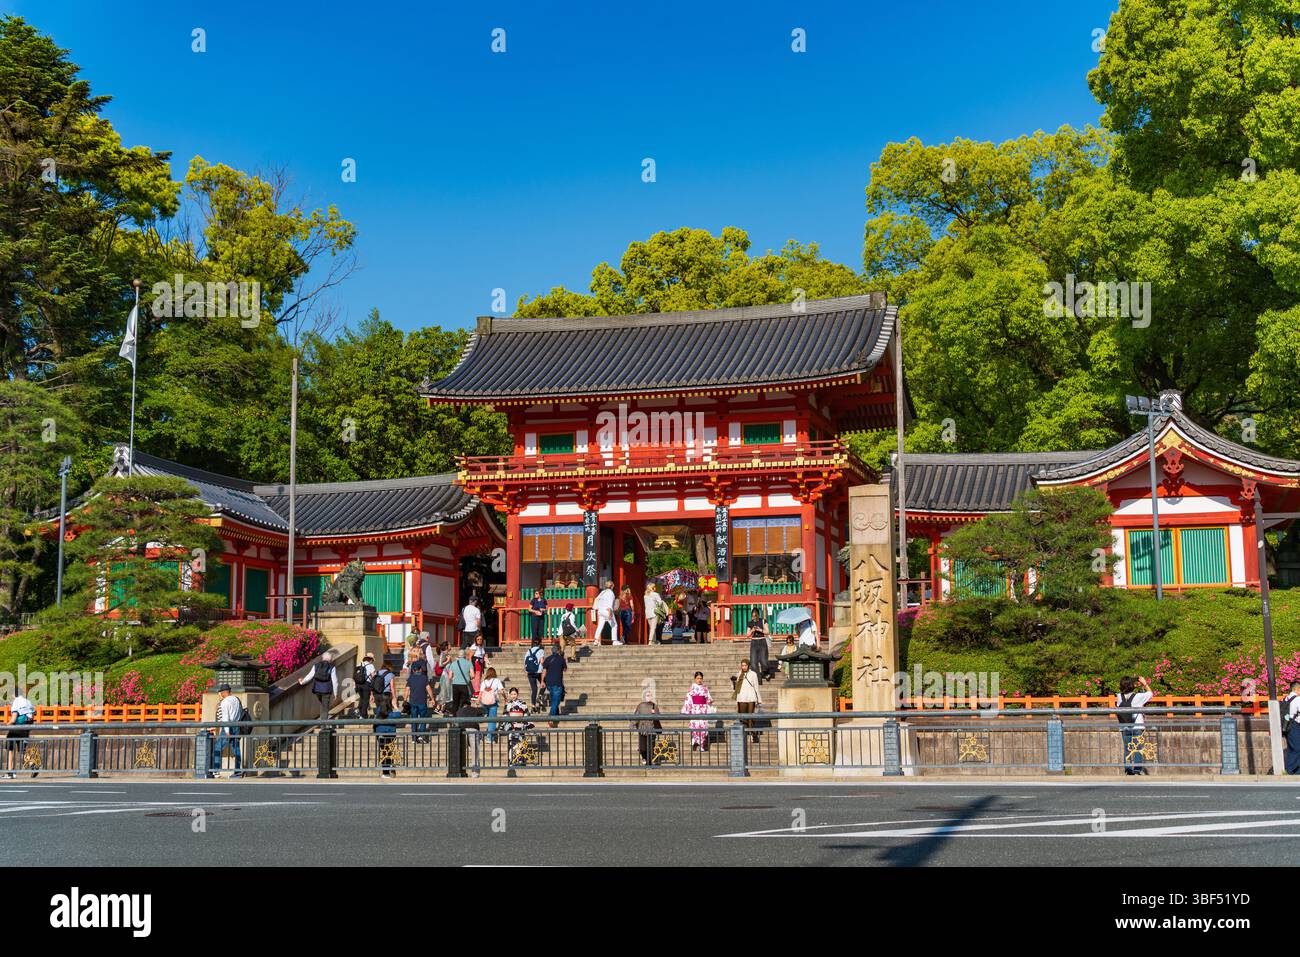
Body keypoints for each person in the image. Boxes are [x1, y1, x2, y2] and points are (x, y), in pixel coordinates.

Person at [1116, 675, 1154, 775]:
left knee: (1127, 748)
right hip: (1137, 726)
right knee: (1138, 748)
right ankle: (1137, 769)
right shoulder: (1138, 697)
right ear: (1132, 685)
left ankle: (1128, 770)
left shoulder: (1119, 697)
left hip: (1124, 727)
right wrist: (1144, 684)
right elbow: (1150, 694)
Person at [209, 684, 244, 778]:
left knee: (217, 747)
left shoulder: (224, 702)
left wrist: (227, 730)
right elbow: (240, 712)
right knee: (236, 748)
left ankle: (215, 771)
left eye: (220, 692)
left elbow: (225, 718)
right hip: (237, 725)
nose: (220, 694)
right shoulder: (236, 699)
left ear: (224, 692)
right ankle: (237, 771)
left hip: (228, 727)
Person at [5, 688, 36, 778]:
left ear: (14, 695)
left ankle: (10, 772)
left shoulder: (16, 702)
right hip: (26, 728)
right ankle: (33, 765)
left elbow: (14, 718)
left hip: (17, 727)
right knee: (22, 749)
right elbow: (32, 716)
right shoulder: (28, 701)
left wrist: (7, 724)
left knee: (10, 748)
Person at [298, 651, 338, 720]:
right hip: (326, 690)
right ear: (330, 659)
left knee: (322, 705)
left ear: (323, 658)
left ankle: (322, 721)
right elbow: (335, 681)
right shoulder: (332, 667)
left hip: (317, 689)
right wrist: (335, 693)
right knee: (325, 708)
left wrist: (302, 682)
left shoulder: (316, 665)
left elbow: (309, 676)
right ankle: (323, 727)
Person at [681, 672, 714, 752]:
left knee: (703, 726)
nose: (699, 680)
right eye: (697, 678)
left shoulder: (705, 688)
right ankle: (695, 739)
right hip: (695, 709)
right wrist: (688, 708)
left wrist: (709, 701)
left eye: (700, 678)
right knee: (695, 725)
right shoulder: (692, 688)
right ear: (695, 679)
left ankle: (702, 745)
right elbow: (688, 699)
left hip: (703, 709)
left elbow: (708, 698)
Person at [733, 660, 763, 742]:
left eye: (745, 665)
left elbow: (756, 687)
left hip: (751, 697)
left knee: (750, 717)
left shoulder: (753, 674)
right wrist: (733, 681)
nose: (744, 667)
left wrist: (759, 699)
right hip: (741, 698)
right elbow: (736, 688)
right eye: (742, 665)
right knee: (742, 718)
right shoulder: (739, 674)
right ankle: (744, 734)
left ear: (748, 665)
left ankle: (753, 735)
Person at [504, 688, 534, 764]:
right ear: (509, 695)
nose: (513, 696)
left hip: (521, 725)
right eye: (512, 694)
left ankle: (521, 760)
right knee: (511, 743)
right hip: (511, 725)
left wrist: (526, 724)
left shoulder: (522, 703)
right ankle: (512, 760)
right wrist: (505, 725)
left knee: (521, 743)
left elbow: (526, 714)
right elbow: (505, 715)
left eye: (515, 694)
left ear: (517, 694)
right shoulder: (508, 704)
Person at [632, 690, 663, 766]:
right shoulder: (640, 705)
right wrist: (633, 725)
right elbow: (636, 715)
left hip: (652, 729)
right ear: (644, 696)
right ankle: (644, 758)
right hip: (642, 729)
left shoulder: (654, 705)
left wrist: (654, 713)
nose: (649, 697)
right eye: (647, 695)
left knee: (651, 748)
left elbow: (659, 716)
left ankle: (649, 763)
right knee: (642, 748)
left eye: (650, 695)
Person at [375, 698, 403, 777]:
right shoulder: (391, 714)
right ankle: (387, 770)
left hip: (380, 735)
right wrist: (395, 706)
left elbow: (379, 709)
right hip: (389, 736)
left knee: (384, 752)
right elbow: (399, 714)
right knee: (388, 753)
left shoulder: (378, 713)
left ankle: (386, 771)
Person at [406, 659, 433, 742]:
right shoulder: (424, 678)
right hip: (422, 701)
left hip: (413, 702)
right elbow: (428, 689)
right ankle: (421, 736)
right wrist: (432, 698)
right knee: (423, 719)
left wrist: (404, 699)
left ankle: (414, 738)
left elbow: (407, 690)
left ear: (413, 670)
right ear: (420, 669)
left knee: (413, 719)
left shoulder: (410, 678)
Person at [541, 641, 567, 726]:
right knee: (556, 701)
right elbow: (565, 669)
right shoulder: (561, 659)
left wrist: (542, 681)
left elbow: (544, 671)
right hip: (557, 682)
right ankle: (551, 718)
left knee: (554, 699)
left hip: (548, 683)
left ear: (552, 651)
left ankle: (556, 714)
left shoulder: (547, 659)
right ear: (559, 651)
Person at [479, 667, 505, 743]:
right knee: (492, 720)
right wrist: (505, 698)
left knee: (485, 718)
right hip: (493, 702)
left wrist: (478, 701)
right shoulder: (497, 681)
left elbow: (480, 692)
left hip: (484, 702)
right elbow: (501, 690)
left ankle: (480, 735)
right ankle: (489, 738)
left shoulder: (484, 682)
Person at [448, 647, 475, 714]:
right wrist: (468, 677)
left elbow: (450, 677)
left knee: (455, 703)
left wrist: (456, 677)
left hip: (455, 685)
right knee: (465, 703)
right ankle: (464, 717)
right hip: (465, 685)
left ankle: (455, 717)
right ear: (465, 655)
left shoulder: (453, 664)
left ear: (458, 656)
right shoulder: (469, 663)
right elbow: (473, 675)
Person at [1283, 680, 1300, 774]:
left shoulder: (1286, 698)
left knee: (1291, 748)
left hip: (1287, 725)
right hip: (1295, 726)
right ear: (1297, 689)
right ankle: (1292, 770)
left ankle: (1293, 771)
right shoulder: (1298, 699)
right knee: (1297, 749)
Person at [523, 636, 546, 707]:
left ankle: (533, 705)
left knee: (534, 689)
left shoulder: (528, 651)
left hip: (529, 672)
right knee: (544, 684)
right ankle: (540, 696)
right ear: (540, 643)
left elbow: (525, 662)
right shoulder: (541, 651)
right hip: (538, 672)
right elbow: (542, 661)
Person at [593, 579, 618, 645]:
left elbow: (596, 599)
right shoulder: (611, 593)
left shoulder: (602, 592)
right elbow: (610, 603)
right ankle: (615, 641)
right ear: (612, 586)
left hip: (600, 610)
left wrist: (596, 608)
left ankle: (596, 640)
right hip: (607, 610)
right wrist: (610, 612)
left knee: (600, 625)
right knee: (614, 625)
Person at [354, 653, 377, 718]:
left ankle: (358, 710)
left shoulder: (359, 664)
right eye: (372, 660)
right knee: (366, 699)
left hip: (358, 684)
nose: (372, 661)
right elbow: (373, 676)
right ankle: (363, 715)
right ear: (371, 659)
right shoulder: (371, 665)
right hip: (366, 684)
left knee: (362, 698)